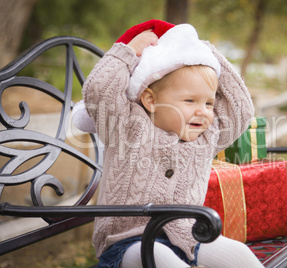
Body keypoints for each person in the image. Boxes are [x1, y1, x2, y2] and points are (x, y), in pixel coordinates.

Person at [74, 19, 263, 268]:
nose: (203, 111)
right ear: (150, 100)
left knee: (238, 254)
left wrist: (204, 50)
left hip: (186, 237)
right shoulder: (127, 128)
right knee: (159, 257)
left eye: (208, 103)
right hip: (127, 244)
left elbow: (241, 109)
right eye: (190, 100)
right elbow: (99, 91)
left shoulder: (205, 137)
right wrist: (127, 51)